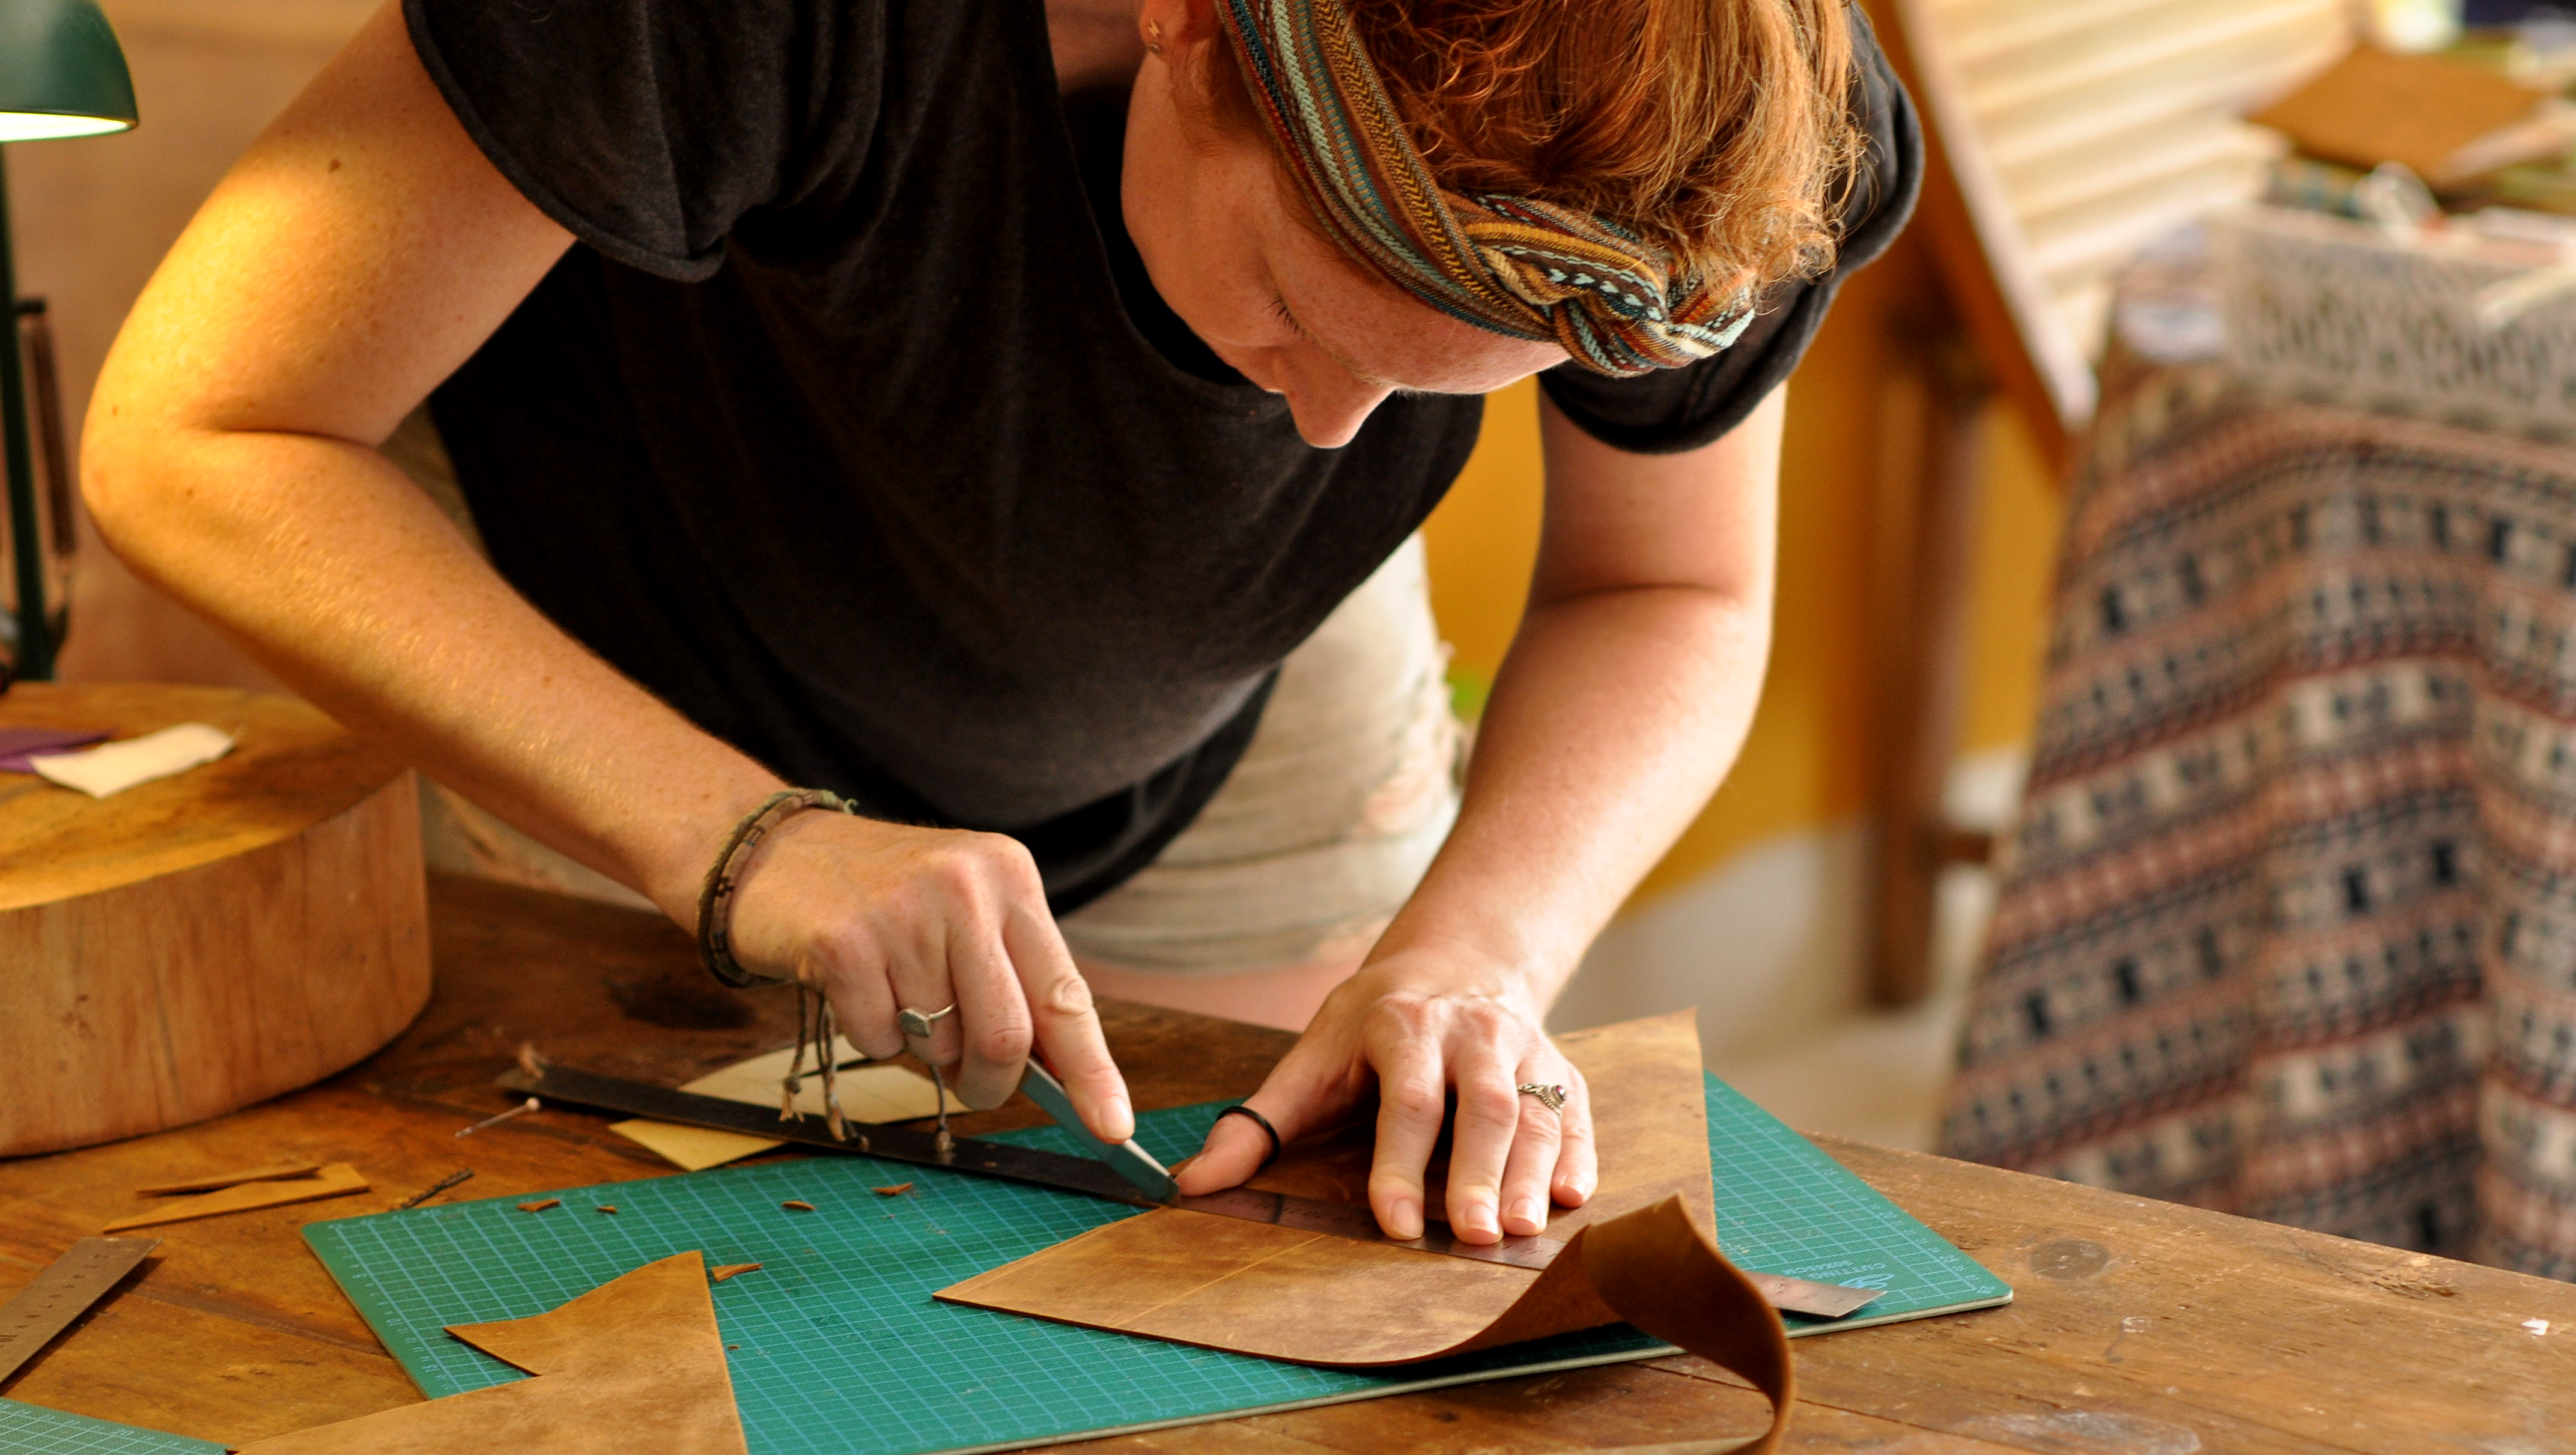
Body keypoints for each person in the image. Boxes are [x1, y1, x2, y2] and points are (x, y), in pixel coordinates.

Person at [82, 0, 1917, 1245]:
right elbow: (206, 436)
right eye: (1299, 308)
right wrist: (745, 839)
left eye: (1456, 388)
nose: (1338, 435)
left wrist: (1485, 955)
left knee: (1254, 1256)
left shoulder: (1722, 131)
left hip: (1221, 650)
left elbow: (1661, 585)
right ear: (1189, 21)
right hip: (602, 619)